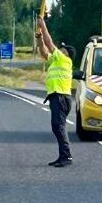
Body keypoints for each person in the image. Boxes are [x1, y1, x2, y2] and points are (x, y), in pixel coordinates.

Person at [35, 15, 75, 167]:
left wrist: (43, 25)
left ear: (66, 53)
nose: (60, 48)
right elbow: (44, 52)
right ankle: (63, 156)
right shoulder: (56, 60)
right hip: (57, 97)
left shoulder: (65, 60)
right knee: (57, 127)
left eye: (62, 48)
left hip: (61, 97)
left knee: (58, 126)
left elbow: (50, 44)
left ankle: (66, 156)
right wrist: (39, 37)